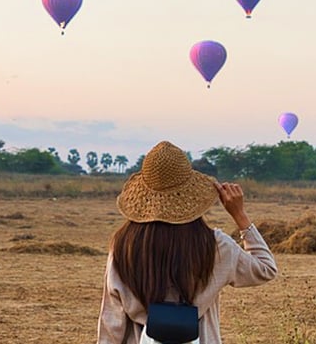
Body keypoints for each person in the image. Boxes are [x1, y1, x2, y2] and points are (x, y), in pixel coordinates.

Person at [97, 140, 278, 344]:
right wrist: (239, 215)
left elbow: (111, 323)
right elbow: (266, 268)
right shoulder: (216, 245)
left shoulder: (124, 247)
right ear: (191, 196)